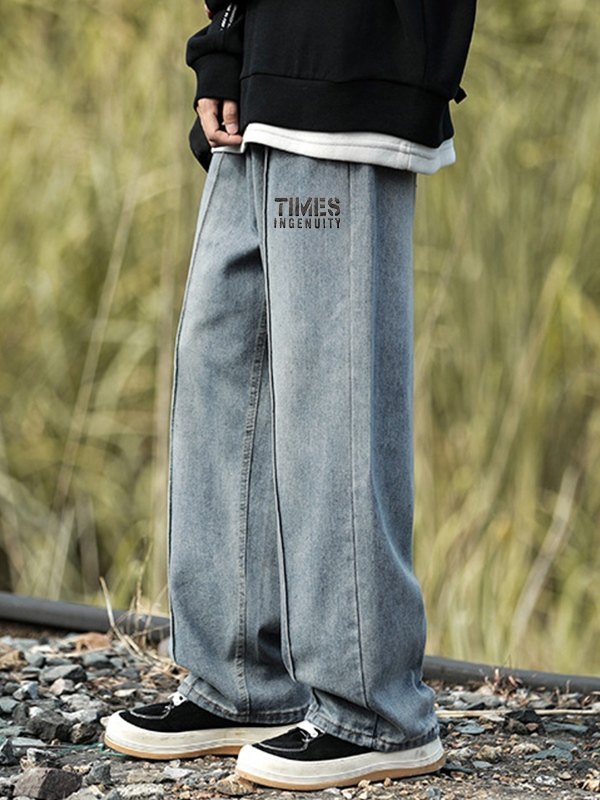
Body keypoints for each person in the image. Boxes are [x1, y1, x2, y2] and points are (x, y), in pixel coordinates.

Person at [104, 0, 477, 790]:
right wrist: (223, 42)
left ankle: (374, 712)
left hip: (348, 61)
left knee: (327, 388)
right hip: (263, 68)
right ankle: (241, 682)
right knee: (222, 365)